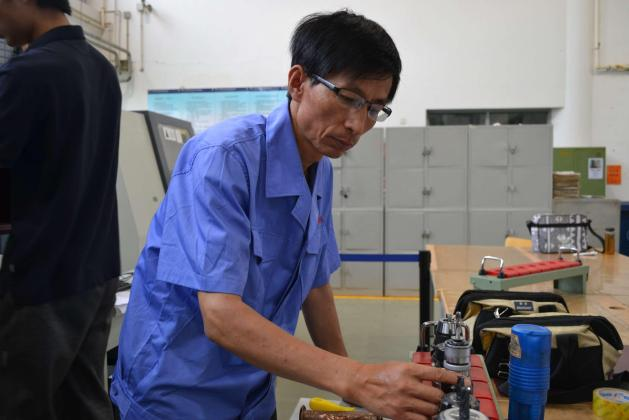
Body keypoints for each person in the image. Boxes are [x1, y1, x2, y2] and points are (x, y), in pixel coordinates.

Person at [111, 10, 457, 420]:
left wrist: (358, 394)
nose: (357, 124)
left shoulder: (320, 168)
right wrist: (355, 378)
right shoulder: (223, 159)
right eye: (349, 98)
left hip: (253, 393)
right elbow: (220, 315)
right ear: (297, 82)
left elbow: (314, 285)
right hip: (176, 396)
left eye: (373, 108)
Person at [0, 0, 122, 419]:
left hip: (39, 282)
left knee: (18, 404)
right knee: (83, 403)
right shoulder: (102, 70)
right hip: (95, 276)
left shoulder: (28, 73)